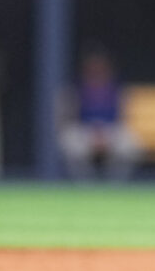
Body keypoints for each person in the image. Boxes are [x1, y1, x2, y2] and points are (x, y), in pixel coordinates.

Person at [57, 45, 142, 180]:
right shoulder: (77, 87)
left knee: (130, 145)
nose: (96, 68)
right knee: (70, 143)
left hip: (111, 131)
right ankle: (86, 185)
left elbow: (123, 118)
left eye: (99, 65)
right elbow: (69, 119)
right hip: (85, 131)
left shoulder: (115, 88)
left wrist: (104, 135)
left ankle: (113, 185)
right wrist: (93, 134)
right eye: (92, 65)